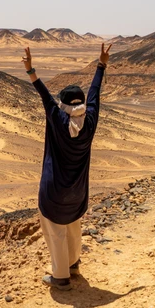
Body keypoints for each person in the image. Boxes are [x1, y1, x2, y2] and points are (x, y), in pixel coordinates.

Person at [22, 43, 111, 290]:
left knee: (56, 231)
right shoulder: (90, 121)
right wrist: (101, 65)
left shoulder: (58, 118)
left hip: (53, 191)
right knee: (73, 226)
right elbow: (94, 93)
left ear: (63, 105)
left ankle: (60, 277)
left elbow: (44, 95)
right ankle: (73, 265)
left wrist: (30, 70)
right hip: (78, 191)